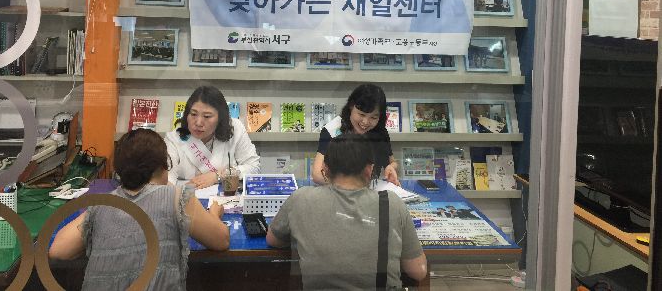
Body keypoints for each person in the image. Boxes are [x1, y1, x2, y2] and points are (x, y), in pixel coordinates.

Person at [49, 129, 229, 290]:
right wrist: (214, 214)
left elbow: (59, 250)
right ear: (164, 165)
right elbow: (221, 240)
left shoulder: (103, 204)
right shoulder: (177, 197)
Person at [266, 134, 427, 289]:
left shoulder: (300, 198)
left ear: (325, 169)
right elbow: (418, 271)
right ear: (369, 169)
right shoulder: (392, 203)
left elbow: (273, 240)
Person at [166, 85, 260, 188]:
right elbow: (166, 179)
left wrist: (218, 176)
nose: (198, 123)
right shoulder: (174, 139)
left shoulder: (235, 128)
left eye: (207, 116)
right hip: (186, 194)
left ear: (220, 118)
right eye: (193, 114)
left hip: (225, 195)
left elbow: (253, 167)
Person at [311, 83, 399, 185]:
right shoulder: (332, 130)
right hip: (338, 191)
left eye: (373, 117)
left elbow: (392, 162)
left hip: (372, 190)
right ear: (351, 106)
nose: (365, 122)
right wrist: (351, 185)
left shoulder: (380, 131)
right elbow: (317, 175)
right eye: (361, 114)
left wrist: (391, 167)